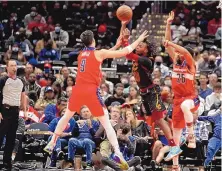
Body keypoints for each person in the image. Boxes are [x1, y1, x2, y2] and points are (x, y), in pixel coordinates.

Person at [44, 29, 148, 170]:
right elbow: (124, 52)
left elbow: (101, 56)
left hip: (78, 89)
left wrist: (116, 45)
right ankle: (118, 154)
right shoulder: (99, 53)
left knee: (66, 117)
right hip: (91, 90)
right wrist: (139, 38)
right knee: (107, 124)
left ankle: (52, 142)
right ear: (94, 40)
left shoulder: (82, 54)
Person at [121, 21, 180, 162]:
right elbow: (126, 50)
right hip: (144, 93)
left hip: (152, 92)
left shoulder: (147, 60)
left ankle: (174, 146)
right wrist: (124, 33)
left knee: (159, 119)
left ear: (146, 50)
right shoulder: (139, 57)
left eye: (141, 45)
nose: (139, 46)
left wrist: (132, 40)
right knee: (154, 120)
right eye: (138, 44)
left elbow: (128, 54)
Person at [164, 11, 200, 171]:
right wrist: (168, 24)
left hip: (191, 98)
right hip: (177, 100)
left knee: (186, 107)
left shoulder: (191, 64)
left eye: (180, 53)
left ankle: (191, 135)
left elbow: (182, 50)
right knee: (175, 137)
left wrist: (171, 45)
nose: (177, 54)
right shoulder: (176, 62)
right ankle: (176, 167)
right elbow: (167, 42)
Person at [0, 59, 27, 170]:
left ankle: (7, 163)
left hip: (15, 111)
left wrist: (24, 110)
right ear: (7, 67)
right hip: (4, 110)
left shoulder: (21, 81)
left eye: (15, 65)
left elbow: (23, 95)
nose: (13, 67)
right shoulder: (3, 80)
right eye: (11, 65)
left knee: (11, 139)